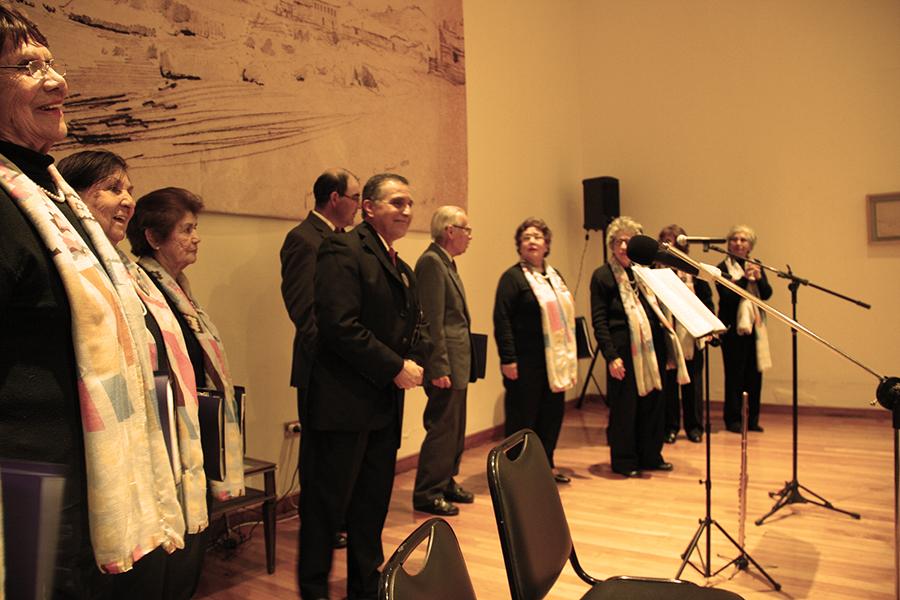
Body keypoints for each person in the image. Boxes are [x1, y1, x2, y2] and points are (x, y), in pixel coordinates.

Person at [0, 6, 184, 596]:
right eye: (28, 65)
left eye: (51, 62)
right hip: (35, 494)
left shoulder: (48, 191)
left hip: (98, 481)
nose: (57, 81)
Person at [57, 150, 210, 599]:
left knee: (164, 568)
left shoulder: (130, 272)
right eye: (112, 188)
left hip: (156, 427)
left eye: (129, 188)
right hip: (101, 439)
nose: (127, 199)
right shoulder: (71, 266)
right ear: (73, 197)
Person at [298, 173, 429, 600]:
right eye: (396, 202)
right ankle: (314, 590)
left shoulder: (400, 266)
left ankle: (366, 587)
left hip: (382, 405)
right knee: (326, 508)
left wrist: (421, 359)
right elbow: (339, 325)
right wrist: (395, 366)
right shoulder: (342, 248)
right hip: (343, 403)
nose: (406, 211)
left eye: (409, 203)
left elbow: (411, 326)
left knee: (371, 506)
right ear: (368, 207)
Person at [126, 187, 245, 502]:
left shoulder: (178, 288)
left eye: (196, 229)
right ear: (153, 238)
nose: (197, 238)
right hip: (166, 431)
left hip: (194, 420)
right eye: (187, 230)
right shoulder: (140, 288)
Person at [280, 167, 359, 550]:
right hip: (321, 368)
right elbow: (302, 308)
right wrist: (334, 359)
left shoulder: (342, 239)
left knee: (340, 455)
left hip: (344, 369)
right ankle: (320, 527)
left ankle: (338, 521)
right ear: (334, 198)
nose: (359, 205)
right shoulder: (304, 239)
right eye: (355, 197)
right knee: (320, 454)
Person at [591, 216, 680, 478]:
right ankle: (624, 459)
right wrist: (611, 356)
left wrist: (669, 351)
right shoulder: (603, 276)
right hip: (623, 352)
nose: (623, 246)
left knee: (653, 404)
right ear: (611, 245)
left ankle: (650, 455)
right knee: (625, 409)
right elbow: (599, 319)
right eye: (619, 241)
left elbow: (660, 311)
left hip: (652, 351)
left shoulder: (646, 273)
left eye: (629, 241)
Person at [493, 217, 577, 484]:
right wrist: (508, 359)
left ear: (546, 244)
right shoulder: (512, 278)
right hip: (524, 362)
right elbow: (502, 320)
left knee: (551, 416)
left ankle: (545, 466)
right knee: (523, 418)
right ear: (519, 245)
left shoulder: (555, 278)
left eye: (537, 237)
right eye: (526, 237)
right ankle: (516, 475)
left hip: (555, 361)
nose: (532, 241)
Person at [412, 206, 476, 516]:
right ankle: (427, 492)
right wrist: (437, 366)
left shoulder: (446, 263)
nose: (469, 237)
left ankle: (447, 480)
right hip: (445, 363)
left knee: (455, 427)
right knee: (442, 427)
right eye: (467, 230)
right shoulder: (431, 263)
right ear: (450, 231)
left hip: (457, 360)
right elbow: (431, 321)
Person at [657, 225, 714, 444]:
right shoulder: (654, 271)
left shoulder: (694, 271)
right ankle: (670, 427)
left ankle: (694, 427)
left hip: (692, 335)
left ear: (683, 245)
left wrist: (709, 328)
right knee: (669, 385)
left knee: (694, 384)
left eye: (673, 241)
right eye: (665, 241)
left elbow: (707, 302)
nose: (669, 245)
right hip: (667, 335)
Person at [717, 224, 772, 433]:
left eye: (743, 240)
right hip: (733, 329)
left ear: (750, 246)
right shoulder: (722, 267)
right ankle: (733, 420)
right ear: (729, 243)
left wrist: (758, 278)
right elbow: (727, 296)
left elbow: (766, 294)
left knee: (754, 375)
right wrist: (743, 280)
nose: (738, 243)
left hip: (755, 327)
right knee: (734, 375)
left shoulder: (756, 264)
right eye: (734, 239)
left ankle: (752, 419)